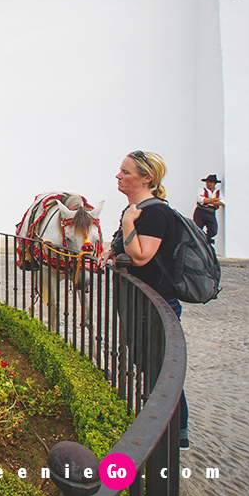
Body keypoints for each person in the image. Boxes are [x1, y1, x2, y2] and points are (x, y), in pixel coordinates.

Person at [98, 150, 190, 449]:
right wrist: (111, 250)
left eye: (125, 171)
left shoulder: (154, 212)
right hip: (141, 303)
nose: (118, 175)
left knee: (159, 369)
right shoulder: (139, 209)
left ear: (146, 178)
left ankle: (176, 434)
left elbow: (140, 256)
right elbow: (125, 248)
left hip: (156, 303)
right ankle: (165, 427)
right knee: (147, 362)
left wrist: (128, 223)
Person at [193, 174, 224, 244]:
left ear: (214, 183)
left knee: (213, 231)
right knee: (197, 229)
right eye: (207, 182)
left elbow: (222, 202)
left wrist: (208, 200)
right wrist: (215, 200)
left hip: (211, 212)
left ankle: (204, 240)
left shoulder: (218, 192)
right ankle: (199, 242)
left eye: (210, 182)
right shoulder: (202, 190)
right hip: (201, 211)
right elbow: (201, 200)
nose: (208, 184)